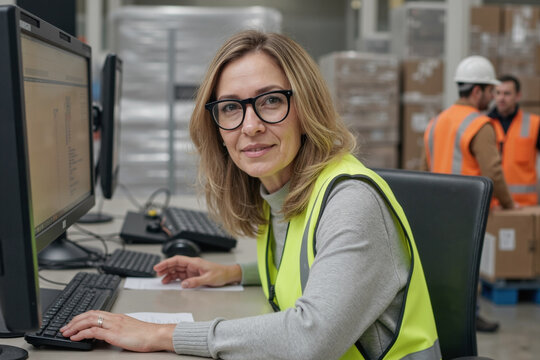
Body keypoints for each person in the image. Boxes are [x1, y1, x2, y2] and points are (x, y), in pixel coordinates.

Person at [61, 30, 440, 359]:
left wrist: (161, 335)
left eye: (271, 100)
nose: (251, 125)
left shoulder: (350, 201)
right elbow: (314, 266)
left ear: (305, 107)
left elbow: (311, 338)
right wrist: (234, 272)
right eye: (231, 108)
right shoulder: (282, 190)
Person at [422, 55, 512, 333]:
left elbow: (426, 165)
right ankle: (468, 318)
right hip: (466, 211)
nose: (493, 97)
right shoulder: (480, 124)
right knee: (468, 269)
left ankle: (443, 316)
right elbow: (493, 172)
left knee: (444, 268)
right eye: (490, 90)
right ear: (476, 91)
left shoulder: (436, 122)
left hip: (437, 208)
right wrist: (509, 205)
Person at [488, 74, 540, 206]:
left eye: (507, 94)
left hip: (524, 205)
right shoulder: (483, 124)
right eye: (498, 93)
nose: (501, 98)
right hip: (491, 205)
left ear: (518, 96)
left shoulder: (534, 124)